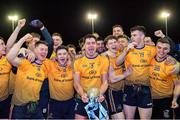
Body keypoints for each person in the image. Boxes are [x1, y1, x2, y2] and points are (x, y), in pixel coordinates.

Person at [116, 25, 156, 119]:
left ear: (142, 36)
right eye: (131, 35)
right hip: (129, 87)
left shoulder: (152, 49)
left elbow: (164, 56)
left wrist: (174, 62)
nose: (131, 37)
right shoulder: (127, 49)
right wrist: (126, 51)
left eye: (134, 35)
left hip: (145, 88)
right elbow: (117, 62)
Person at [7, 34, 49, 119]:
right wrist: (23, 39)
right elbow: (9, 57)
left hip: (35, 107)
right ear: (35, 50)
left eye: (46, 50)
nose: (44, 52)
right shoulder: (25, 63)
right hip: (20, 109)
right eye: (41, 49)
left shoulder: (45, 67)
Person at [74, 34, 109, 119]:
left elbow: (105, 81)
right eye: (88, 43)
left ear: (96, 45)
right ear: (84, 46)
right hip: (83, 98)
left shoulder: (104, 60)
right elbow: (76, 83)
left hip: (98, 98)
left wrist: (100, 93)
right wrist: (82, 94)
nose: (91, 45)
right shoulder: (78, 62)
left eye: (93, 43)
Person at [0, 19, 26, 118]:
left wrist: (18, 27)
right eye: (1, 44)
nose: (4, 46)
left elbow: (9, 46)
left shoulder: (7, 60)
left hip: (4, 100)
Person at [102, 35, 132, 119]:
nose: (113, 44)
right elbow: (112, 79)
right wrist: (126, 74)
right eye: (110, 43)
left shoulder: (120, 54)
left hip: (122, 90)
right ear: (107, 46)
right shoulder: (105, 57)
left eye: (115, 42)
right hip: (112, 91)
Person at [150, 38, 180, 119]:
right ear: (155, 47)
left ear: (169, 50)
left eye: (165, 49)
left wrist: (175, 99)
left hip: (165, 101)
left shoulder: (171, 64)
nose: (161, 51)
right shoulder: (149, 59)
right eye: (159, 47)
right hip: (148, 100)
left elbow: (177, 85)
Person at [44, 45, 75, 119]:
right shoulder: (50, 65)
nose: (62, 56)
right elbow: (39, 56)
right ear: (56, 56)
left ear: (67, 55)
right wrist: (26, 51)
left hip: (70, 103)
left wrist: (72, 59)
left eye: (64, 54)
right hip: (55, 103)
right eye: (60, 54)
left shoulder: (73, 66)